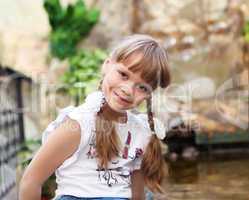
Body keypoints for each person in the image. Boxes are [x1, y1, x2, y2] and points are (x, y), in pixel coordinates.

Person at [19, 34, 171, 200]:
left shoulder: (140, 131)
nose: (128, 90)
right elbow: (31, 180)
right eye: (123, 74)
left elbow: (137, 194)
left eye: (142, 87)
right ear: (106, 65)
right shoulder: (79, 125)